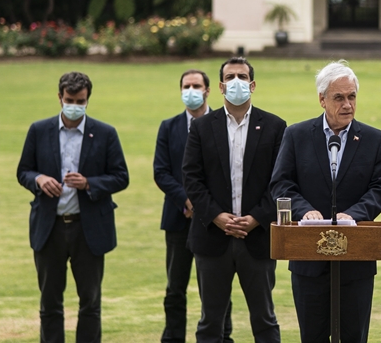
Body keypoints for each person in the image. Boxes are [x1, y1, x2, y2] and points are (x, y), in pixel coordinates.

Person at [270, 60, 381, 343]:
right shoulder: (297, 135)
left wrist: (354, 214)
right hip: (309, 262)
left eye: (352, 96)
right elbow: (281, 183)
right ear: (322, 100)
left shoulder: (375, 140)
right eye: (339, 97)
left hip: (356, 261)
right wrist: (304, 211)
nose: (347, 104)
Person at [17, 71, 130, 343]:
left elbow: (121, 177)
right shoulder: (39, 130)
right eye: (70, 100)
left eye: (80, 101)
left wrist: (89, 183)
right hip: (50, 227)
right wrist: (39, 179)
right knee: (50, 302)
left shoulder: (105, 133)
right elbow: (23, 171)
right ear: (59, 97)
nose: (75, 106)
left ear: (88, 99)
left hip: (88, 229)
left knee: (90, 302)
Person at [182, 58, 287, 343]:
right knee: (210, 322)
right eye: (230, 77)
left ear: (252, 85)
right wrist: (217, 216)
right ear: (220, 86)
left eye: (242, 76)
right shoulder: (201, 127)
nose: (236, 82)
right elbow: (191, 178)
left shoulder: (275, 126)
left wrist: (256, 218)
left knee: (265, 320)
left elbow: (281, 181)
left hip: (258, 238)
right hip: (212, 238)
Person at [153, 69, 233, 343]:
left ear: (208, 90)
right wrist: (186, 200)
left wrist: (205, 205)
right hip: (179, 218)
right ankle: (173, 337)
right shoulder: (169, 127)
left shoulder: (222, 124)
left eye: (196, 86)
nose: (191, 91)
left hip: (214, 220)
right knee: (175, 287)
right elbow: (161, 171)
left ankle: (222, 336)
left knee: (216, 287)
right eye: (186, 86)